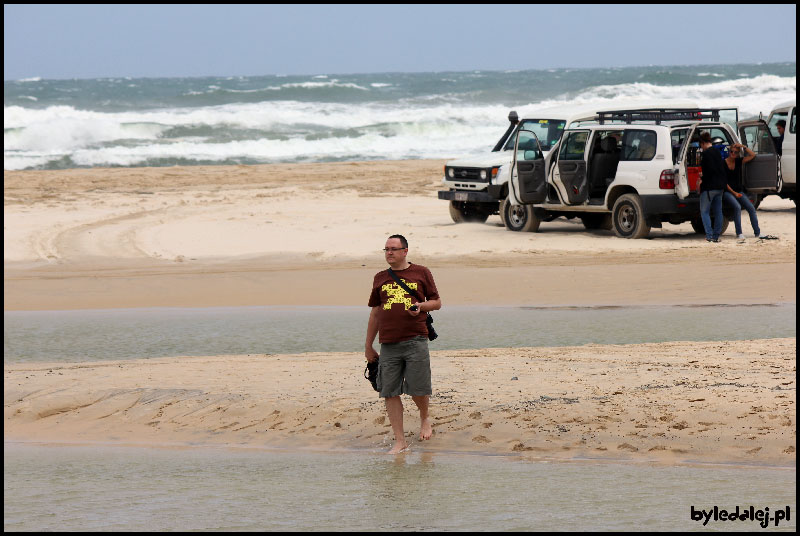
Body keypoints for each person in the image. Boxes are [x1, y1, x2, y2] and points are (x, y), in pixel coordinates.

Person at [365, 234, 442, 454]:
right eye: (386, 249)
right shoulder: (380, 277)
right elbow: (375, 312)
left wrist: (421, 307)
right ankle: (400, 441)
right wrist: (368, 345)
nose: (389, 253)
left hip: (415, 339)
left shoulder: (421, 272)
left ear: (405, 251)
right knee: (389, 391)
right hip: (388, 342)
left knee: (418, 388)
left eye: (393, 249)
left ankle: (425, 417)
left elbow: (437, 302)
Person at [722, 143, 776, 241]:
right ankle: (739, 233)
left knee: (751, 208)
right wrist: (734, 193)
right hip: (728, 192)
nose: (733, 153)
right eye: (731, 151)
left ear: (738, 154)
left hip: (738, 191)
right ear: (729, 152)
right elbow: (724, 183)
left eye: (735, 152)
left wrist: (744, 147)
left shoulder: (738, 161)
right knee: (737, 207)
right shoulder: (723, 163)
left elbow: (753, 156)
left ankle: (757, 232)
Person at [696, 131, 727, 242]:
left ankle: (709, 235)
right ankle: (716, 236)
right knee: (718, 212)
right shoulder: (717, 152)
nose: (701, 147)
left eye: (700, 145)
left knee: (704, 212)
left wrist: (701, 178)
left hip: (710, 187)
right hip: (720, 187)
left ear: (703, 143)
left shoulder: (706, 154)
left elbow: (708, 171)